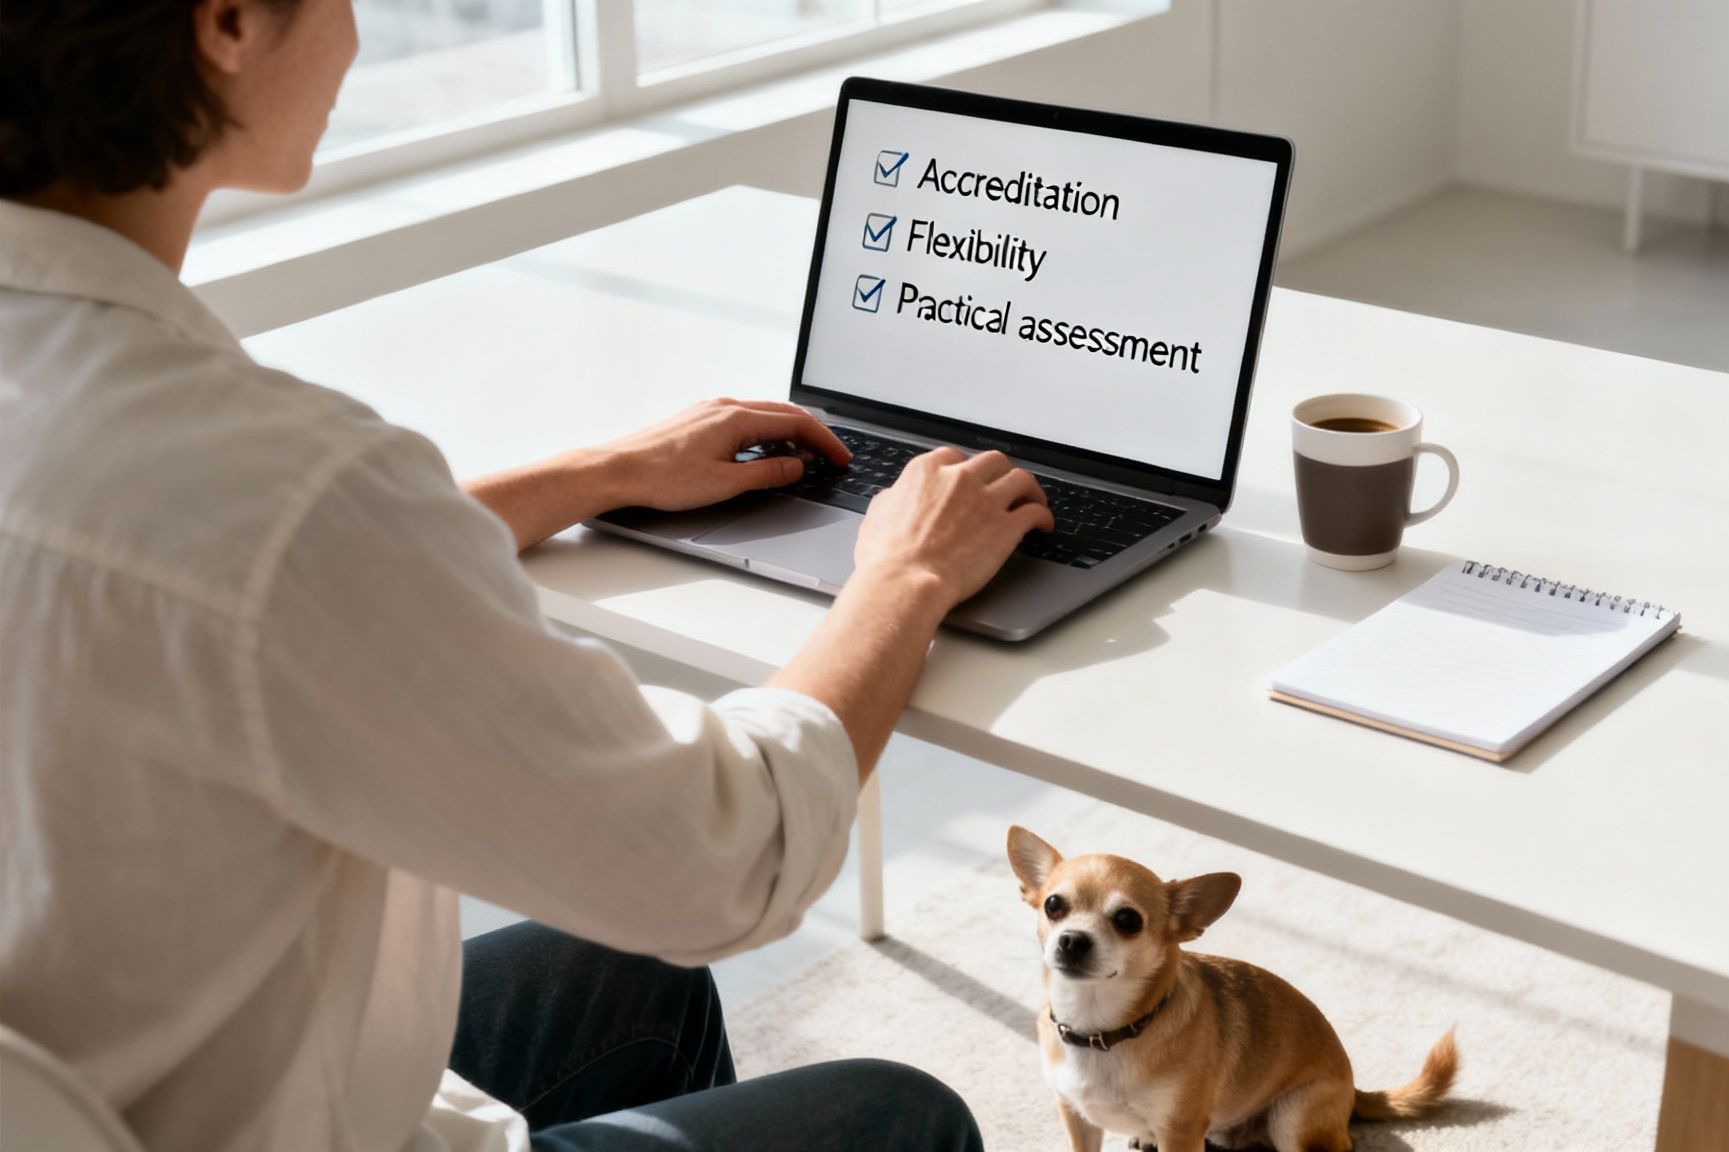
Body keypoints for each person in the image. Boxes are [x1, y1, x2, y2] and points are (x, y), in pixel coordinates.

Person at [0, 2, 1055, 1150]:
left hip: (102, 1081)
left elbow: (217, 573)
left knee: (631, 981)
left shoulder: (160, 449)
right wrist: (903, 577)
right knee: (902, 1116)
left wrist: (599, 472)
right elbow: (724, 855)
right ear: (229, 23)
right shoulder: (278, 489)